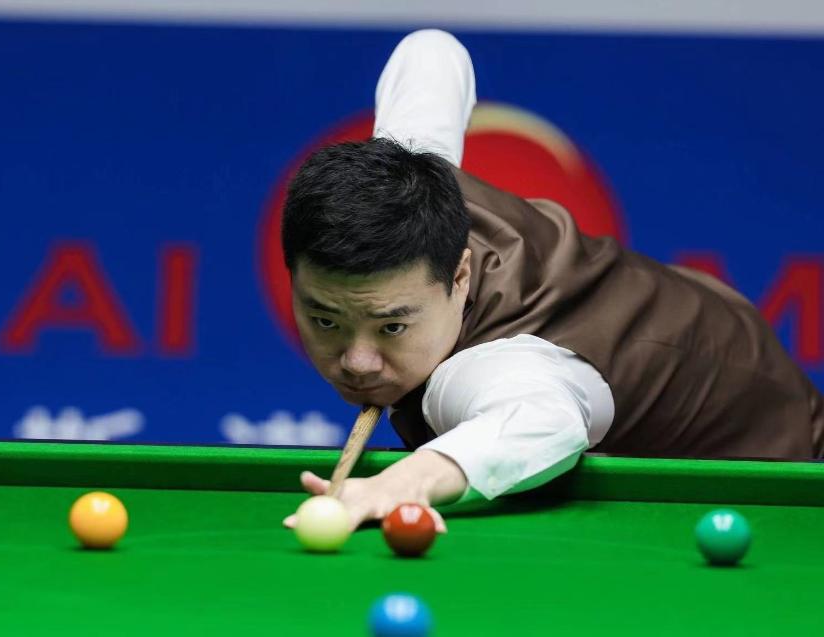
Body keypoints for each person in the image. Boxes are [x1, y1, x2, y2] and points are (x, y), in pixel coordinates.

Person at [281, 30, 824, 531]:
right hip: (695, 323)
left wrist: (407, 482)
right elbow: (431, 52)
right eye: (326, 320)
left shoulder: (501, 367)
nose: (357, 362)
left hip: (778, 469)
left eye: (392, 327)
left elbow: (543, 423)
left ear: (460, 274)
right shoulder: (414, 179)